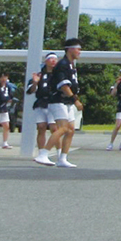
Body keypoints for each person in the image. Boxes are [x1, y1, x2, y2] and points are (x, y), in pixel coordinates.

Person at [37, 39, 83, 167]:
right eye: (78, 49)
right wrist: (76, 100)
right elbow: (63, 86)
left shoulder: (71, 65)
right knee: (63, 128)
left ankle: (62, 158)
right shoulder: (62, 64)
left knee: (71, 130)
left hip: (67, 102)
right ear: (70, 49)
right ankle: (43, 154)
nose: (79, 52)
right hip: (58, 100)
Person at [27, 53, 57, 159]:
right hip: (41, 103)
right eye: (51, 59)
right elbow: (30, 91)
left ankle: (58, 152)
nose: (53, 61)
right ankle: (41, 153)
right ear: (46, 61)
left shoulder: (58, 75)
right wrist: (35, 83)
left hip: (54, 103)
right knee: (41, 127)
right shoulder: (39, 75)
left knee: (54, 129)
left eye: (55, 59)